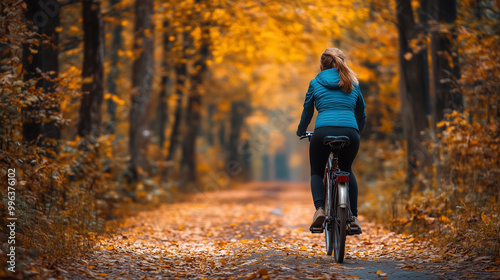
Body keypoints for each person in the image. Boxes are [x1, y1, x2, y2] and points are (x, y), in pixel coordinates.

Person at [296, 48, 366, 232]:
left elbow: (307, 111)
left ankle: (320, 209)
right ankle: (354, 217)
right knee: (347, 170)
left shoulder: (315, 82)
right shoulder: (353, 83)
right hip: (350, 131)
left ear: (322, 65)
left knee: (317, 173)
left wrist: (301, 131)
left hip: (322, 132)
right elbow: (361, 113)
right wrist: (358, 132)